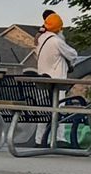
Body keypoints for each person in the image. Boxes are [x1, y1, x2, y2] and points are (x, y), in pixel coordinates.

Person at [33, 10, 82, 147]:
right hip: (57, 80)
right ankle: (59, 139)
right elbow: (72, 54)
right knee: (59, 108)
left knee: (44, 110)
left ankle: (39, 140)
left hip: (43, 80)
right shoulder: (56, 41)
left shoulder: (41, 39)